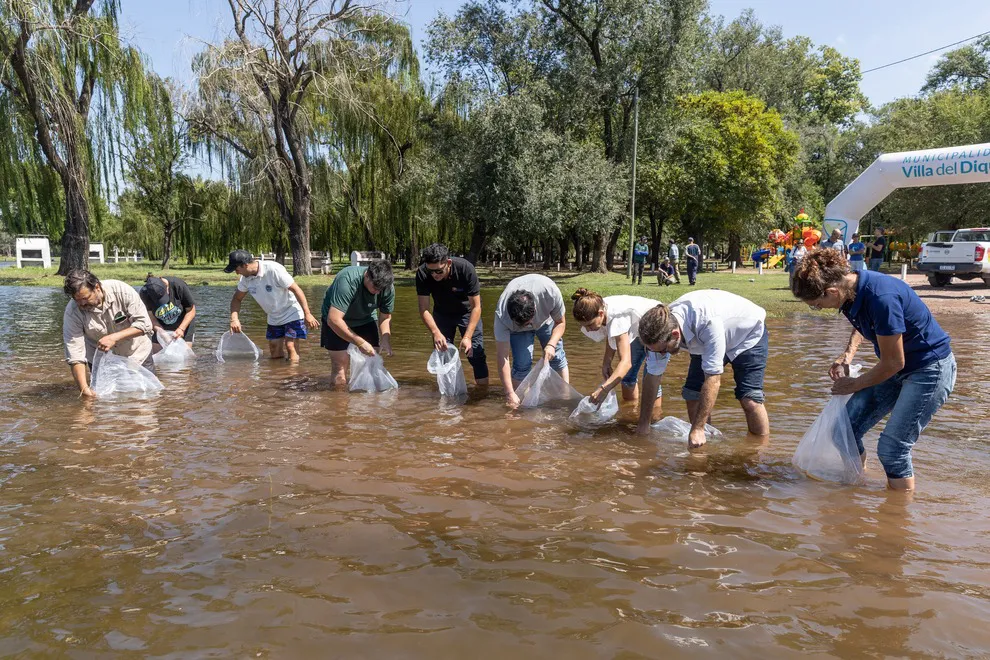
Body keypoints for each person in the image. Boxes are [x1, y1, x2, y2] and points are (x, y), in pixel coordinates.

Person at [791, 249, 955, 491]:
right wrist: (847, 355)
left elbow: (893, 362)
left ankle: (899, 518)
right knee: (843, 429)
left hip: (928, 370)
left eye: (817, 305)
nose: (819, 309)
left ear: (832, 291)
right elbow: (864, 325)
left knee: (892, 449)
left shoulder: (882, 297)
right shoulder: (851, 292)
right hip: (897, 369)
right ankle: (856, 489)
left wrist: (854, 384)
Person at [635, 290, 770, 447]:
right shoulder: (661, 332)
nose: (662, 354)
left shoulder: (707, 323)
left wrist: (697, 428)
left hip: (748, 334)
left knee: (749, 398)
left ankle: (760, 451)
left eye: (663, 350)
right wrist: (643, 425)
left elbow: (713, 379)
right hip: (705, 339)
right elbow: (652, 376)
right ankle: (705, 444)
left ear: (675, 334)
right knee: (692, 394)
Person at [571, 290, 668, 420]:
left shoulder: (617, 317)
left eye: (589, 325)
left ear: (600, 314)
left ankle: (654, 419)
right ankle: (630, 415)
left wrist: (604, 389)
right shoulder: (596, 306)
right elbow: (613, 335)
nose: (588, 329)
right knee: (627, 378)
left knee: (651, 377)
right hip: (637, 328)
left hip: (659, 325)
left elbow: (626, 363)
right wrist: (606, 361)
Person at [62, 270, 154, 397]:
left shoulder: (122, 291)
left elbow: (145, 324)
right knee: (106, 405)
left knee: (146, 399)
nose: (81, 304)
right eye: (77, 300)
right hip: (101, 361)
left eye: (85, 298)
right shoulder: (73, 312)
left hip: (137, 354)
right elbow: (75, 353)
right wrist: (84, 389)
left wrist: (114, 337)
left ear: (97, 288)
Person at [225, 250, 320, 362]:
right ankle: (278, 377)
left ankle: (294, 377)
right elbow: (237, 299)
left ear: (245, 265)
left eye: (237, 270)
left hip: (291, 312)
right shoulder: (245, 279)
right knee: (274, 350)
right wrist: (234, 319)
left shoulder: (273, 269)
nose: (237, 273)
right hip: (273, 317)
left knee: (291, 346)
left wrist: (307, 314)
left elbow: (296, 289)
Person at [416, 243, 488, 385]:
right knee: (443, 354)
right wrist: (436, 332)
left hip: (467, 313)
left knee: (476, 354)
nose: (434, 275)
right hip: (442, 314)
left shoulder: (465, 269)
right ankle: (448, 395)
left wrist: (467, 337)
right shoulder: (423, 273)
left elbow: (476, 307)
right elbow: (424, 309)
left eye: (438, 271)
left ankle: (482, 395)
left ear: (448, 263)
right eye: (431, 271)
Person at [494, 273, 568, 407]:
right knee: (522, 364)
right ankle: (521, 403)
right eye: (523, 323)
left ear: (534, 308)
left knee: (556, 356)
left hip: (546, 321)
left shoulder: (550, 292)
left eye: (528, 322)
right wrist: (509, 393)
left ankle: (564, 398)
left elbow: (561, 323)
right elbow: (503, 356)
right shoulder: (502, 315)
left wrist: (551, 344)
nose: (528, 326)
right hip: (517, 331)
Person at [321, 259, 395, 386]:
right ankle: (339, 402)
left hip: (366, 318)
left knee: (372, 365)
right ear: (367, 275)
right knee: (339, 367)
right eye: (375, 287)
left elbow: (385, 317)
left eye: (381, 289)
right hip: (337, 320)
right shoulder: (348, 280)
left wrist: (385, 337)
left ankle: (369, 404)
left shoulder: (387, 287)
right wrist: (360, 342)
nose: (378, 292)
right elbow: (334, 320)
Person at [140, 274, 197, 352]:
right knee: (158, 356)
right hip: (161, 324)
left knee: (185, 356)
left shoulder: (178, 285)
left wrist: (181, 329)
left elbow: (191, 310)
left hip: (183, 322)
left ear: (166, 286)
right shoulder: (144, 294)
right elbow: (151, 317)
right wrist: (161, 332)